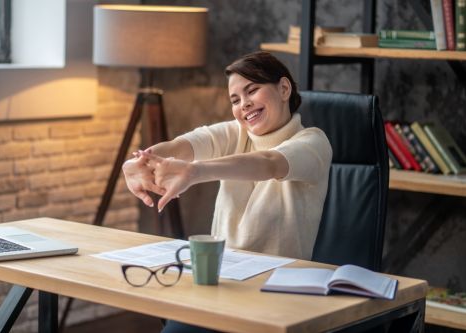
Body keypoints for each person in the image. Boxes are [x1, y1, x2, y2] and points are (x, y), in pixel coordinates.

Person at [122, 51, 332, 332]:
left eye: (252, 90)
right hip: (222, 282)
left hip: (276, 290)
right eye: (235, 100)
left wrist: (196, 171)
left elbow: (269, 163)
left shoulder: (313, 142)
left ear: (284, 88)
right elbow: (180, 147)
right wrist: (139, 162)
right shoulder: (236, 132)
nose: (244, 104)